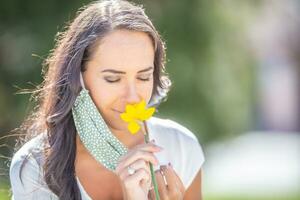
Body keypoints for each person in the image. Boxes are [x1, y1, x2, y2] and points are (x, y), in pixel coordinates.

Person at [9, 0, 205, 199]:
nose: (133, 97)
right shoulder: (35, 166)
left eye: (143, 76)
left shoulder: (181, 147)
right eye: (113, 79)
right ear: (79, 78)